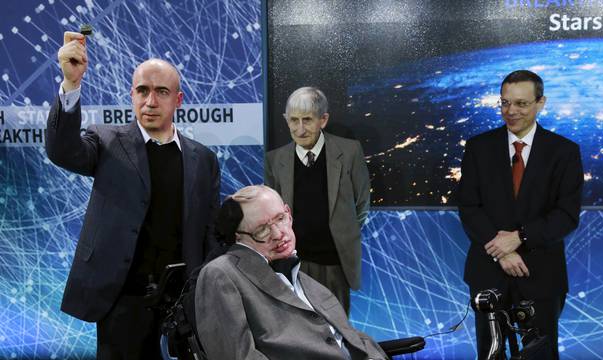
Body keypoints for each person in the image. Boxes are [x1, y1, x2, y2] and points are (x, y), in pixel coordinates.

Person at [46, 31, 221, 359]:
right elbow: (63, 151)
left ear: (178, 100)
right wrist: (71, 84)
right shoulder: (107, 141)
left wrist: (207, 291)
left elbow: (211, 232)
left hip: (183, 302)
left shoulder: (204, 159)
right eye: (142, 91)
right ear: (132, 95)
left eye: (161, 92)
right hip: (121, 300)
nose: (150, 102)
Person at [456, 70, 583, 359]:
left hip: (540, 273)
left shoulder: (563, 152)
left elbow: (566, 214)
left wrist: (520, 238)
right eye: (504, 103)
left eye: (521, 104)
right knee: (491, 354)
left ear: (541, 103)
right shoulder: (479, 148)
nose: (510, 111)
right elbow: (468, 206)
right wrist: (502, 251)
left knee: (540, 353)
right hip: (489, 273)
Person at [195, 185, 387, 360]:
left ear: (288, 212)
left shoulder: (305, 279)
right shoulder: (221, 274)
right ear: (239, 238)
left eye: (280, 218)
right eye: (262, 230)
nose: (279, 234)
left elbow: (348, 337)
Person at [265, 87, 370, 314]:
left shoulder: (350, 152)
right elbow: (271, 215)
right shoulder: (275, 159)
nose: (300, 129)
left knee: (337, 333)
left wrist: (343, 233)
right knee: (298, 332)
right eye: (293, 120)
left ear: (323, 120)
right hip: (292, 264)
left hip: (335, 265)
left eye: (307, 120)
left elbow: (362, 204)